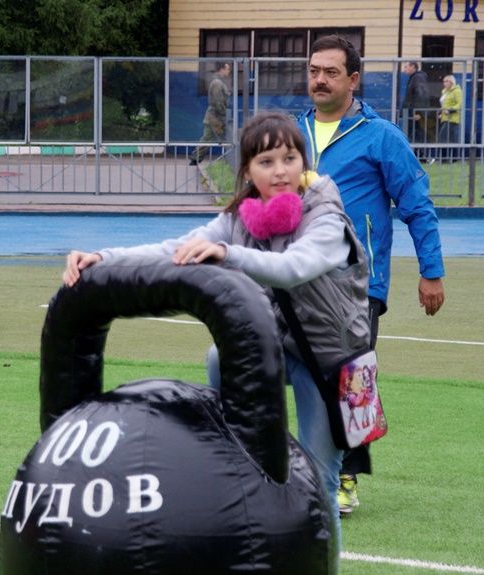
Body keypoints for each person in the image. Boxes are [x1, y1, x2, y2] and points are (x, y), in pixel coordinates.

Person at [64, 111, 370, 567]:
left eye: (289, 158)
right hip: (279, 348)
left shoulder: (326, 216)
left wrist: (229, 254)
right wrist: (103, 258)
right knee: (218, 357)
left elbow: (293, 268)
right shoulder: (239, 219)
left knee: (320, 484)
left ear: (303, 163)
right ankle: (242, 443)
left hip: (331, 363)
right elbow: (174, 249)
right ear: (247, 171)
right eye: (266, 161)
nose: (280, 171)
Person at [296, 35, 445, 516]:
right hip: (295, 280)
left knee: (350, 379)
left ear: (353, 80)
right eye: (314, 70)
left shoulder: (381, 136)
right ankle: (295, 466)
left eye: (331, 72)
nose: (320, 79)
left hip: (357, 285)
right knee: (295, 371)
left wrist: (431, 272)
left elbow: (417, 206)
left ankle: (345, 477)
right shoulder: (293, 133)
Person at [189, 61, 232, 166]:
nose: (229, 71)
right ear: (222, 69)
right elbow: (218, 102)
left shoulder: (217, 82)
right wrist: (224, 114)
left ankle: (195, 158)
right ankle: (232, 161)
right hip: (216, 117)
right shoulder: (217, 83)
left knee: (208, 138)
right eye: (228, 69)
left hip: (213, 116)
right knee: (226, 138)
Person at [401, 61, 432, 156]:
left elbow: (421, 95)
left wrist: (419, 112)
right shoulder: (415, 78)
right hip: (412, 112)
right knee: (414, 133)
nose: (404, 69)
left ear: (413, 67)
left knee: (417, 133)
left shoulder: (417, 78)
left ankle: (423, 155)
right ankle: (419, 155)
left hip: (415, 113)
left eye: (406, 67)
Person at [437, 75, 463, 162]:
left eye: (446, 81)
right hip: (444, 118)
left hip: (453, 118)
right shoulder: (444, 91)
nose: (444, 83)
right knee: (445, 138)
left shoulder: (457, 91)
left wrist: (450, 110)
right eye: (444, 81)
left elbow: (459, 104)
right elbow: (444, 104)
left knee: (446, 138)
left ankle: (450, 158)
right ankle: (445, 158)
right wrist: (441, 113)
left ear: (452, 82)